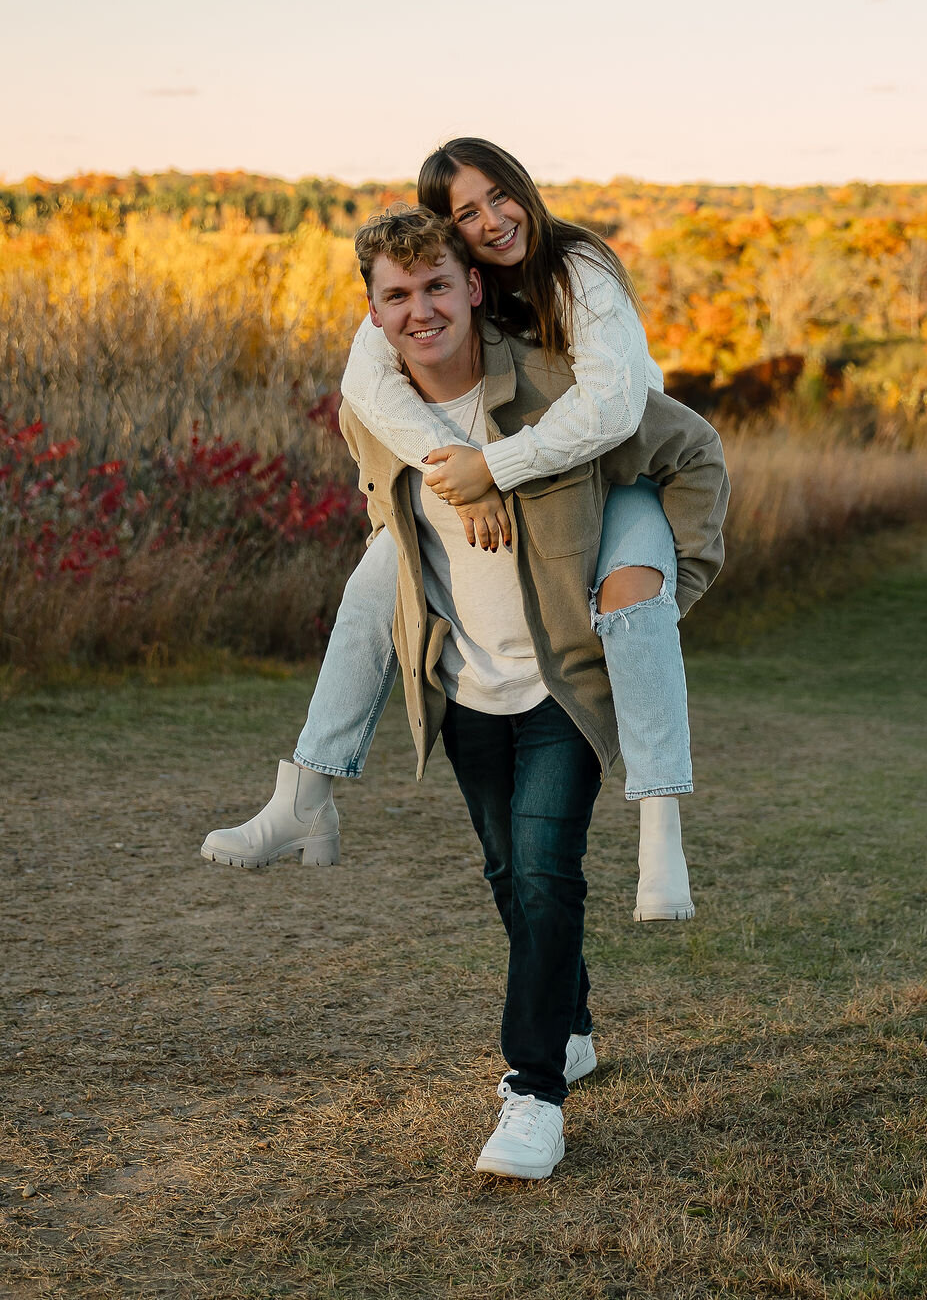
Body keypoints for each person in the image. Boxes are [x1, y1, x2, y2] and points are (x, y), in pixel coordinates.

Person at [202, 139, 710, 921]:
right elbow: (364, 382)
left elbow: (612, 412)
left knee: (632, 600)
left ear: (524, 188)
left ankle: (660, 830)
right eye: (466, 212)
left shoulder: (578, 269)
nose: (493, 219)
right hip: (520, 468)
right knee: (379, 577)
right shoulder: (432, 287)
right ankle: (307, 790)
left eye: (499, 195)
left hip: (626, 472)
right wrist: (455, 470)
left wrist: (492, 469)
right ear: (445, 230)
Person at [330, 208, 727, 1176]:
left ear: (473, 286)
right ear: (375, 314)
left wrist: (670, 575)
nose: (420, 308)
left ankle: (534, 1090)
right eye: (396, 294)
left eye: (436, 285)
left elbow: (681, 445)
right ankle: (572, 1022)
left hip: (558, 681)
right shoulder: (377, 410)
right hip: (464, 684)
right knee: (510, 878)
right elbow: (386, 521)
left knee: (547, 874)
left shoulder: (556, 386)